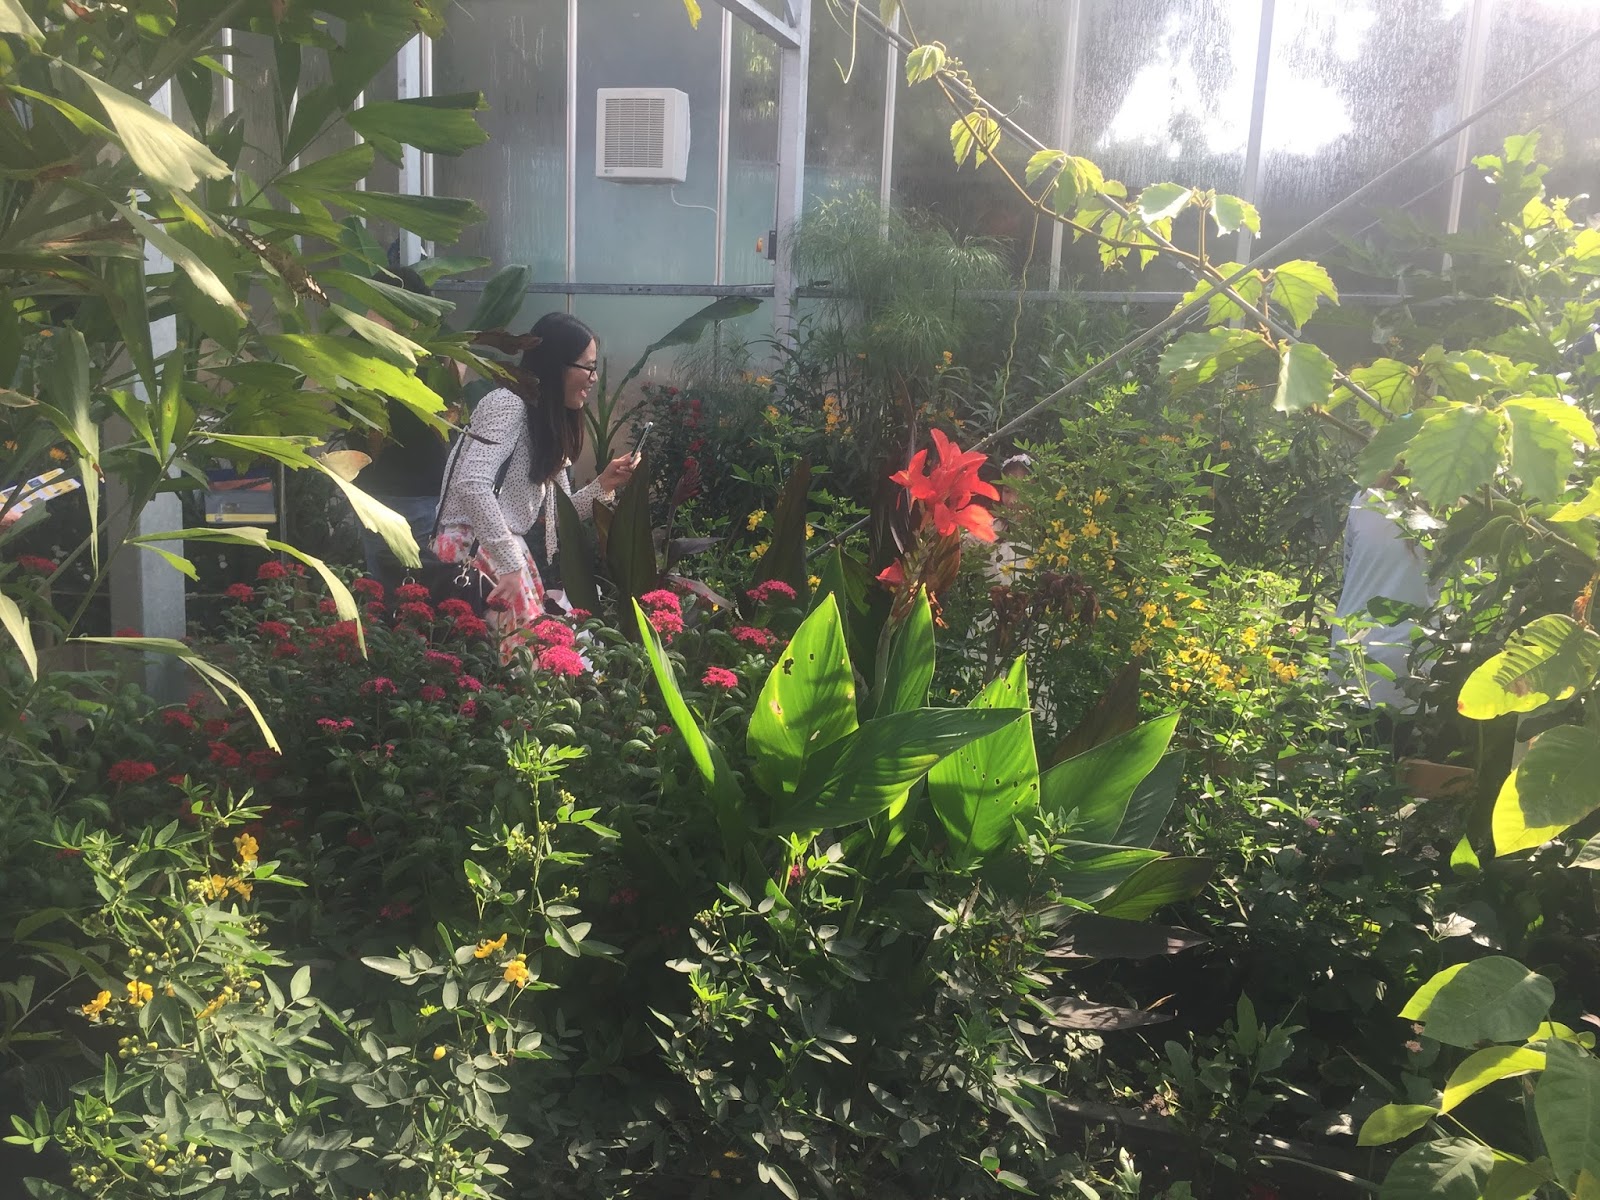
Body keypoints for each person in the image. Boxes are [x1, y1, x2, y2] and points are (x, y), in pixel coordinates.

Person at [433, 312, 636, 662]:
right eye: (587, 367)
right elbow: (472, 482)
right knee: (523, 670)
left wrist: (604, 484)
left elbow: (560, 515)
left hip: (500, 553)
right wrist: (510, 564)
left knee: (523, 671)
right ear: (557, 366)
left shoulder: (545, 420)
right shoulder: (508, 404)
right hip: (477, 553)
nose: (594, 377)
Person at [357, 266, 456, 592]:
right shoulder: (358, 344)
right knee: (382, 592)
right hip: (374, 494)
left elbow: (444, 414)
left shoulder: (435, 351)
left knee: (424, 590)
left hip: (420, 495)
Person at [1329, 471, 1438, 713]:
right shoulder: (1449, 512)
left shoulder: (1364, 500)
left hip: (1350, 653)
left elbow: (1349, 572)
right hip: (1410, 665)